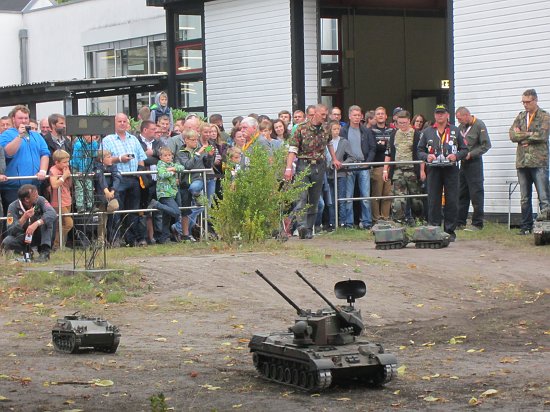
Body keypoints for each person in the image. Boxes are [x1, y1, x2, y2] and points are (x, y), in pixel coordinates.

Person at [284, 103, 338, 239]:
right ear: (315, 114)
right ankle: (301, 226)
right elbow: (293, 149)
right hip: (304, 164)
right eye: (322, 115)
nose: (324, 118)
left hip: (319, 165)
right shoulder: (301, 128)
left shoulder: (326, 128)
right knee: (301, 197)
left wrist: (334, 158)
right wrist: (289, 168)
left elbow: (329, 144)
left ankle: (308, 228)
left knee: (314, 199)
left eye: (326, 115)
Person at [417, 104, 468, 241]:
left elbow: (464, 149)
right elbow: (420, 150)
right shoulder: (427, 131)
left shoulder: (455, 130)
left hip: (451, 169)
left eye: (442, 113)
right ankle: (434, 229)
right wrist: (427, 156)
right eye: (437, 113)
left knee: (452, 199)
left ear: (447, 115)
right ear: (434, 115)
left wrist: (456, 156)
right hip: (433, 169)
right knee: (434, 199)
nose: (440, 115)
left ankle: (450, 231)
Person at [101, 113, 148, 247]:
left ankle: (131, 238)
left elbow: (141, 157)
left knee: (133, 210)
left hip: (133, 178)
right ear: (114, 123)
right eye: (119, 121)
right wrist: (120, 158)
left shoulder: (133, 139)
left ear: (128, 123)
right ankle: (114, 238)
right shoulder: (107, 140)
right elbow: (105, 160)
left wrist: (140, 173)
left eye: (124, 121)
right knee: (116, 209)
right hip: (117, 179)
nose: (122, 123)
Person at [509, 88, 550, 235]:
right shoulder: (520, 116)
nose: (525, 105)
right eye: (523, 102)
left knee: (544, 196)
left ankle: (546, 227)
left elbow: (542, 135)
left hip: (538, 162)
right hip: (522, 162)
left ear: (535, 100)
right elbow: (512, 134)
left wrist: (523, 135)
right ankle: (526, 226)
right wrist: (529, 135)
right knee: (524, 197)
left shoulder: (544, 116)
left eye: (528, 102)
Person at [0, 105, 50, 213]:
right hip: (13, 188)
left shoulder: (36, 136)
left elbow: (45, 154)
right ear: (13, 119)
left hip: (34, 186)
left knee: (35, 216)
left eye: (26, 118)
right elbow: (7, 153)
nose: (24, 120)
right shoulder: (6, 135)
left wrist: (42, 171)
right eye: (20, 118)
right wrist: (20, 136)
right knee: (13, 219)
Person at [339, 105, 376, 229]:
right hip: (349, 166)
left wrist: (368, 162)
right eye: (354, 115)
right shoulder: (343, 130)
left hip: (363, 165)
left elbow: (372, 148)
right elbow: (338, 148)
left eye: (358, 115)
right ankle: (349, 223)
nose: (356, 117)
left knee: (365, 196)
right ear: (349, 116)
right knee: (348, 196)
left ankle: (367, 222)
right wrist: (345, 163)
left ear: (361, 116)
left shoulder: (366, 131)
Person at [383, 111, 424, 223]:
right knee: (398, 199)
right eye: (399, 123)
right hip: (398, 170)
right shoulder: (393, 134)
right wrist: (385, 170)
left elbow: (421, 153)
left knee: (416, 199)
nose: (402, 125)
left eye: (404, 123)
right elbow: (388, 153)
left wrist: (422, 170)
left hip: (412, 170)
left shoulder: (417, 134)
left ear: (409, 121)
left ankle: (419, 219)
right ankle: (398, 221)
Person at [455, 107, 492, 230]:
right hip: (463, 164)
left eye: (460, 119)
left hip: (474, 163)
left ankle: (477, 223)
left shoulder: (479, 125)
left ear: (467, 115)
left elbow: (486, 145)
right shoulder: (461, 127)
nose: (459, 122)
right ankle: (460, 222)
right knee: (462, 193)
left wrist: (472, 154)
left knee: (476, 194)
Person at [2, 184, 56, 262]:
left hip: (39, 234)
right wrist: (23, 219)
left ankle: (45, 252)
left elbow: (52, 213)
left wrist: (37, 223)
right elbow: (10, 231)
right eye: (35, 195)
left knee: (47, 221)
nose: (38, 196)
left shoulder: (40, 200)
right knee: (7, 241)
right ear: (27, 199)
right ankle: (27, 251)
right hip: (24, 236)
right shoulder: (13, 207)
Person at [148, 146, 185, 244]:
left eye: (169, 155)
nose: (168, 157)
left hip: (173, 192)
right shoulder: (160, 164)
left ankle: (164, 238)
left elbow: (182, 167)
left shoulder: (171, 164)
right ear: (160, 157)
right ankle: (156, 204)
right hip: (164, 193)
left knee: (167, 217)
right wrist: (172, 173)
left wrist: (173, 168)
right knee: (176, 212)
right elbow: (162, 174)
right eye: (165, 155)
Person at [326, 121, 356, 228]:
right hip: (328, 174)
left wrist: (342, 164)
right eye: (334, 129)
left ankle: (342, 222)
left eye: (338, 129)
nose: (336, 131)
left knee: (341, 198)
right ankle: (332, 222)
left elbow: (351, 157)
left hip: (341, 174)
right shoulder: (326, 142)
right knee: (331, 200)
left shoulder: (344, 142)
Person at [368, 107, 393, 223]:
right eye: (378, 114)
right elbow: (374, 147)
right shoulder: (370, 131)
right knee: (376, 194)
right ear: (375, 117)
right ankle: (377, 219)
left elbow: (392, 147)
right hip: (377, 166)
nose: (381, 115)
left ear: (386, 116)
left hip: (389, 167)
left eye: (382, 113)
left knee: (387, 194)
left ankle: (386, 217)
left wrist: (383, 144)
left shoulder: (392, 131)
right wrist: (385, 145)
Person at [93, 150, 121, 244]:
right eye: (108, 157)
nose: (111, 159)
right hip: (101, 195)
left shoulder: (113, 166)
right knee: (102, 220)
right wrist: (105, 190)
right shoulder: (97, 166)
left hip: (112, 195)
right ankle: (101, 240)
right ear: (101, 159)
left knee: (114, 206)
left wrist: (112, 191)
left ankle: (111, 239)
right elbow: (100, 178)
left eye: (110, 156)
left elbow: (117, 178)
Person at [48, 149, 73, 249]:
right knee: (69, 223)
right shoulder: (53, 170)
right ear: (56, 162)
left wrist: (68, 176)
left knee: (61, 225)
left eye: (68, 161)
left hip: (67, 199)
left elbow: (69, 185)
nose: (66, 164)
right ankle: (56, 244)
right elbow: (54, 185)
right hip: (58, 201)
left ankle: (61, 245)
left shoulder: (66, 169)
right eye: (64, 162)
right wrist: (64, 176)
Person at [71, 134, 99, 213]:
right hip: (77, 168)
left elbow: (93, 157)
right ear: (85, 135)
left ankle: (91, 206)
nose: (95, 137)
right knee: (80, 187)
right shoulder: (78, 145)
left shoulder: (94, 144)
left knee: (89, 186)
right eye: (93, 136)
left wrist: (90, 169)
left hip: (87, 168)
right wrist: (81, 171)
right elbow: (78, 159)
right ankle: (80, 206)